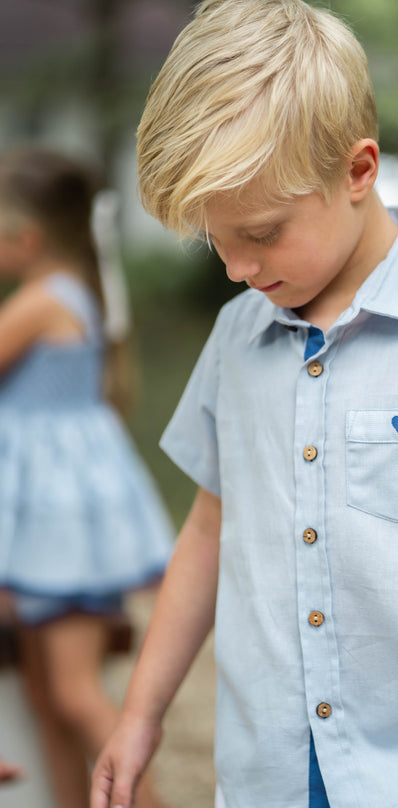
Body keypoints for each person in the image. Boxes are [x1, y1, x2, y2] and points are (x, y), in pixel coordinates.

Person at [91, 2, 398, 807]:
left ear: (358, 171)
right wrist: (141, 713)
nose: (235, 268)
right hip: (264, 779)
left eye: (259, 232)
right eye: (215, 240)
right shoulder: (235, 336)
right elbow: (207, 532)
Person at [0, 146, 172, 808]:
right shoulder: (70, 291)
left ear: (27, 237)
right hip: (49, 520)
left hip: (60, 526)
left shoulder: (46, 300)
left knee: (74, 695)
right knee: (48, 698)